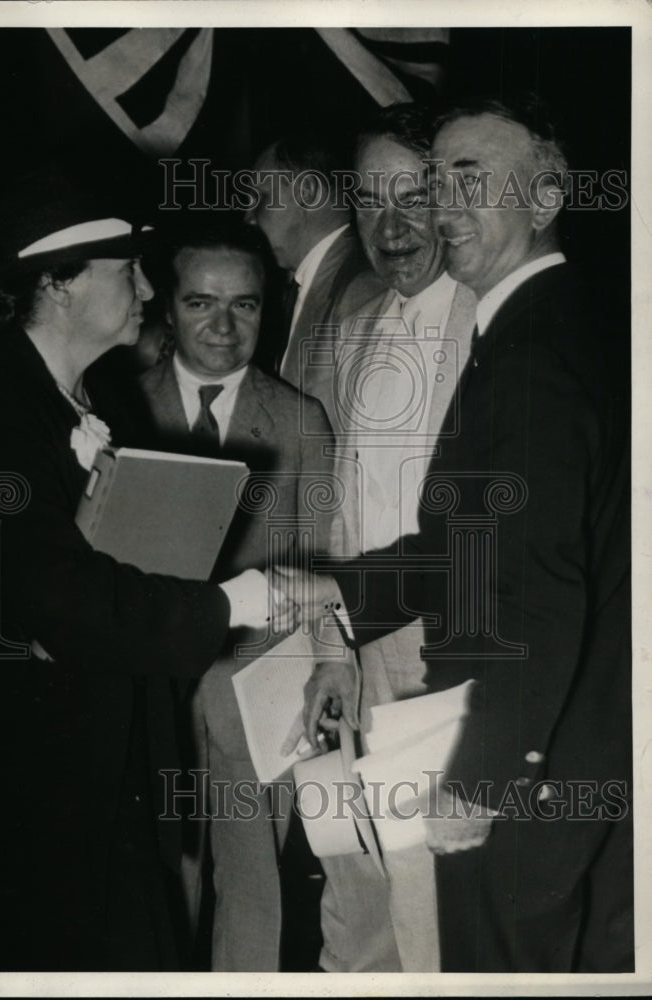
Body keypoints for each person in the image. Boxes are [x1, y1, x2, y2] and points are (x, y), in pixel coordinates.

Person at [278, 95, 633, 972]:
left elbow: (532, 587)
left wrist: (481, 774)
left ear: (543, 200)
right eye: (431, 181)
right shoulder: (499, 327)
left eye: (461, 179)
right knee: (394, 926)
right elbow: (457, 540)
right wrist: (336, 607)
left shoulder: (523, 345)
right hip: (455, 703)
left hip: (502, 721)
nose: (430, 210)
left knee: (471, 946)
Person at [0, 171, 281, 972]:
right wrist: (236, 599)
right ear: (57, 285)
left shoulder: (81, 398)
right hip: (30, 785)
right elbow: (56, 598)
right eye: (126, 270)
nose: (149, 289)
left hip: (94, 766)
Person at [301, 103, 476, 973]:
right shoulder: (357, 326)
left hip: (442, 658)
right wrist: (328, 647)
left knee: (428, 911)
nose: (389, 223)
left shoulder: (487, 326)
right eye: (368, 199)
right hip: (355, 652)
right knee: (354, 894)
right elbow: (334, 506)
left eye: (411, 194)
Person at [138, 218, 334, 971]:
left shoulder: (298, 422)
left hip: (258, 686)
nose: (223, 326)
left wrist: (326, 664)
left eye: (245, 305)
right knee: (161, 881)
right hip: (149, 687)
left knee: (254, 886)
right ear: (165, 306)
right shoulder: (117, 408)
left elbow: (321, 558)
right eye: (200, 303)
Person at [244, 131, 383, 407]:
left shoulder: (363, 292)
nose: (248, 218)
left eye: (259, 198)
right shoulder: (312, 283)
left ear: (307, 192)